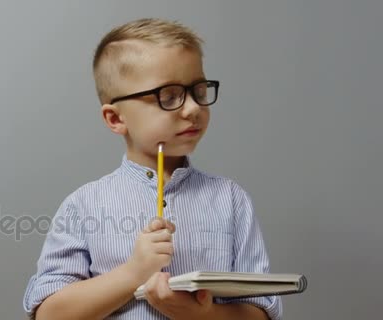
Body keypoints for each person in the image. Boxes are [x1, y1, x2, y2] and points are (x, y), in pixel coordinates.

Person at [23, 18, 281, 320]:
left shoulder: (231, 200)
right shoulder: (83, 205)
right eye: (169, 96)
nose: (193, 109)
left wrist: (197, 314)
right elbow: (49, 314)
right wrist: (134, 272)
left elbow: (262, 312)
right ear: (115, 119)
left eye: (198, 91)